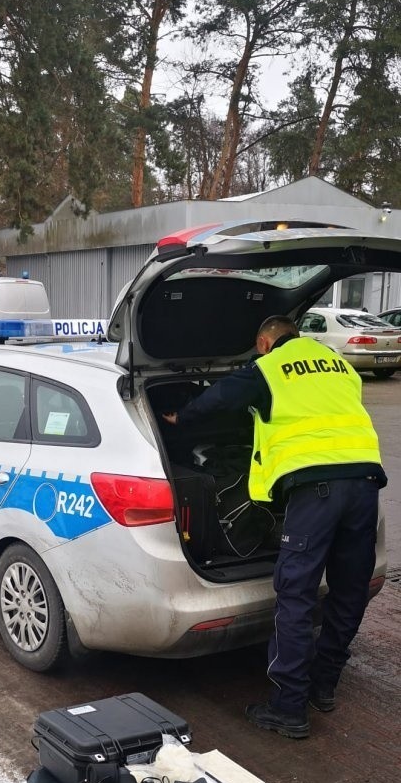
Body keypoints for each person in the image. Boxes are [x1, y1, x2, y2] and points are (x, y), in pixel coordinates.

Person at [163, 315, 387, 739]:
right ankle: (323, 686)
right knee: (349, 590)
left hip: (315, 491)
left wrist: (181, 419)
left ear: (265, 342)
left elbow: (220, 399)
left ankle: (288, 707)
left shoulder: (268, 368)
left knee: (296, 595)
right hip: (364, 484)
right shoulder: (337, 362)